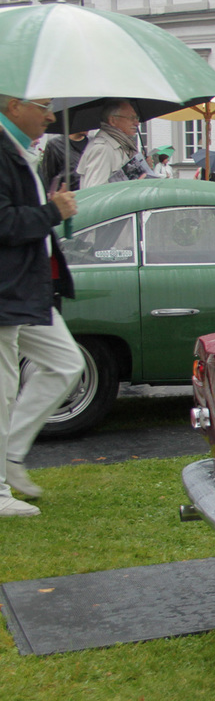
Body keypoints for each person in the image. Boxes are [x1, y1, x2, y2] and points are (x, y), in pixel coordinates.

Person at [0, 94, 86, 515]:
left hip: (23, 289)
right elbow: (3, 223)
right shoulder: (2, 150)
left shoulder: (19, 150)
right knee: (1, 391)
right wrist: (51, 211)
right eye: (42, 105)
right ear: (14, 106)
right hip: (6, 291)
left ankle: (11, 455)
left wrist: (51, 211)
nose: (51, 116)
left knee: (68, 363)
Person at [76, 100, 152, 188]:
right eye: (132, 118)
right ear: (113, 120)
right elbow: (95, 194)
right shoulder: (102, 148)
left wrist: (144, 169)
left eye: (137, 118)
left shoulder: (123, 144)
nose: (137, 123)